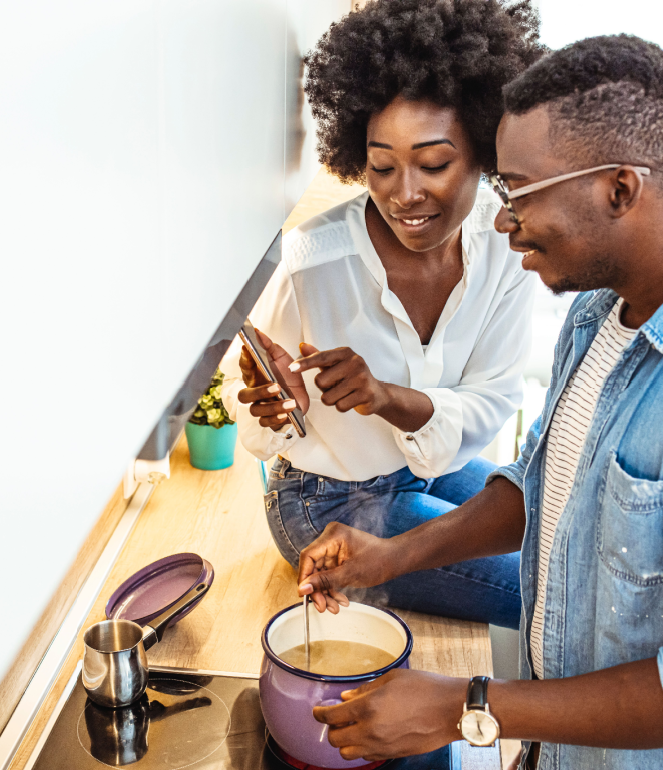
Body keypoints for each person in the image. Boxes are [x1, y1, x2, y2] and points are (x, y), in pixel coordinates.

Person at [297, 34, 663, 769]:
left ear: (620, 189)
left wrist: (465, 707)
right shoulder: (600, 311)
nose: (504, 221)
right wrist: (389, 556)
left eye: (520, 192)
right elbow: (540, 487)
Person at [219, 0, 542, 629]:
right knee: (541, 591)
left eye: (435, 163)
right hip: (322, 501)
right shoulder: (312, 260)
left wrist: (385, 396)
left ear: (483, 147)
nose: (405, 194)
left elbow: (494, 398)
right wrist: (273, 404)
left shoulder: (505, 248)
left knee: (556, 533)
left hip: (425, 471)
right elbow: (258, 423)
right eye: (381, 165)